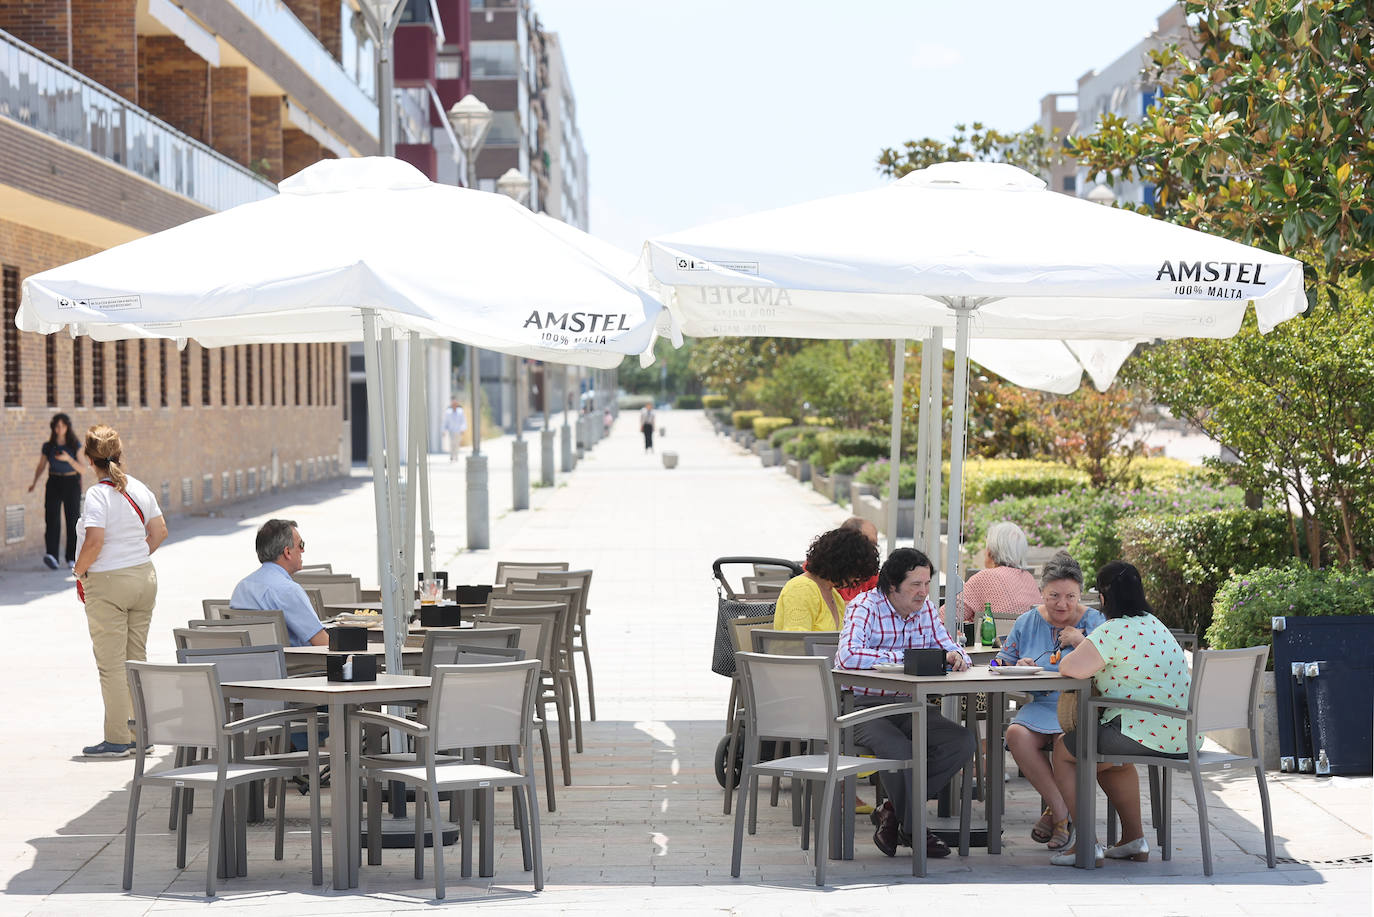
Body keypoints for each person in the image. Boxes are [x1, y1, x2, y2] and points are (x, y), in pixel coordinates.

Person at [1049, 560, 1197, 865]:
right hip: (1185, 736)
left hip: (1142, 731)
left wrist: (1080, 643)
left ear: (1104, 598)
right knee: (1113, 760)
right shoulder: (1156, 624)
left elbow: (1070, 668)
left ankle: (1086, 845)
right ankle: (1133, 839)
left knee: (1064, 750)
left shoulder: (1113, 630)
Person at [836, 548, 976, 859]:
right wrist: (906, 660)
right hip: (862, 706)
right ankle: (915, 829)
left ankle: (892, 811)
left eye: (927, 584)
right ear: (891, 585)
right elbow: (846, 656)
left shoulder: (925, 610)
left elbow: (952, 649)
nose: (924, 592)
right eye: (915, 584)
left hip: (911, 704)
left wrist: (956, 657)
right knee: (900, 750)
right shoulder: (865, 607)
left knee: (962, 741)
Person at [996, 551, 1105, 851]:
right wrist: (1018, 666)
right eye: (1054, 595)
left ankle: (1057, 815)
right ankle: (1060, 812)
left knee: (1063, 743)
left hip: (1077, 706)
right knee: (1016, 735)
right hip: (1042, 704)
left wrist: (1081, 641)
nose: (1062, 604)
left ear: (1081, 594)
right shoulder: (1027, 621)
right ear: (1041, 592)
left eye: (1071, 596)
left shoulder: (1095, 621)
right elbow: (1001, 661)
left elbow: (1109, 664)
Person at [73, 424, 168, 758]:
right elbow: (159, 532)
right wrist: (134, 556)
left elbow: (95, 541)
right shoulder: (138, 488)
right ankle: (140, 733)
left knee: (111, 665)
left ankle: (116, 739)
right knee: (135, 658)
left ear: (89, 457)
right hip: (143, 578)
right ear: (119, 453)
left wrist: (78, 571)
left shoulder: (97, 495)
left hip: (108, 584)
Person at [231, 519, 328, 647]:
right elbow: (322, 643)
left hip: (253, 664)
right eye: (301, 545)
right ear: (287, 552)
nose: (303, 551)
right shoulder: (288, 590)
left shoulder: (241, 587)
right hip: (297, 665)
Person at [774, 526, 879, 632]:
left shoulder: (832, 594)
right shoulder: (801, 589)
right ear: (843, 566)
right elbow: (797, 642)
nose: (856, 579)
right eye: (856, 573)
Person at [942, 520, 1042, 623]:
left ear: (990, 551)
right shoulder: (1029, 578)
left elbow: (945, 617)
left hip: (998, 638)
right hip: (1031, 638)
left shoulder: (986, 578)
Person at [29, 412, 86, 570]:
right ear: (53, 428)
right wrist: (34, 482)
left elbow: (83, 469)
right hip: (53, 481)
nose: (59, 429)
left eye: (62, 426)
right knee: (51, 518)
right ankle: (52, 555)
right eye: (56, 426)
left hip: (71, 482)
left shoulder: (75, 445)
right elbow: (41, 466)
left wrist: (69, 459)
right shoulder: (48, 447)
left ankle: (71, 557)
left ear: (67, 427)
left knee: (72, 519)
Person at [835, 517, 880, 602]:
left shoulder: (870, 570)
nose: (872, 550)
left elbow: (879, 602)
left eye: (874, 545)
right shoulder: (822, 568)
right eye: (868, 543)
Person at [442, 397, 467, 462]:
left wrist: (463, 429)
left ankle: (456, 456)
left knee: (457, 444)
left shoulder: (460, 411)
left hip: (458, 430)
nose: (454, 405)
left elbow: (463, 421)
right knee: (452, 443)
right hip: (451, 431)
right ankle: (452, 456)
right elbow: (445, 422)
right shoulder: (448, 412)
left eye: (455, 403)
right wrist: (444, 430)